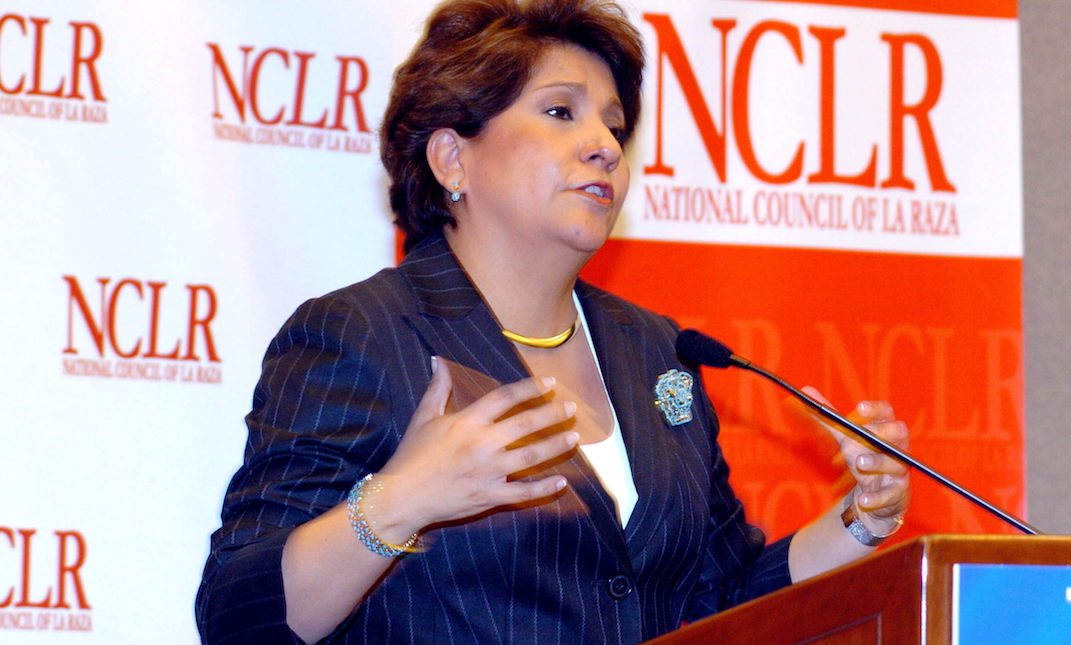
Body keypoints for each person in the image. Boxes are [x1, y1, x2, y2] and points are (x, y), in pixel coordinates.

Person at [195, 0, 910, 643]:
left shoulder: (657, 351)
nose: (604, 143)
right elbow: (238, 617)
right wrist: (400, 500)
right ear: (452, 158)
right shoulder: (360, 333)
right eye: (561, 111)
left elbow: (716, 601)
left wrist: (858, 522)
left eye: (613, 123)